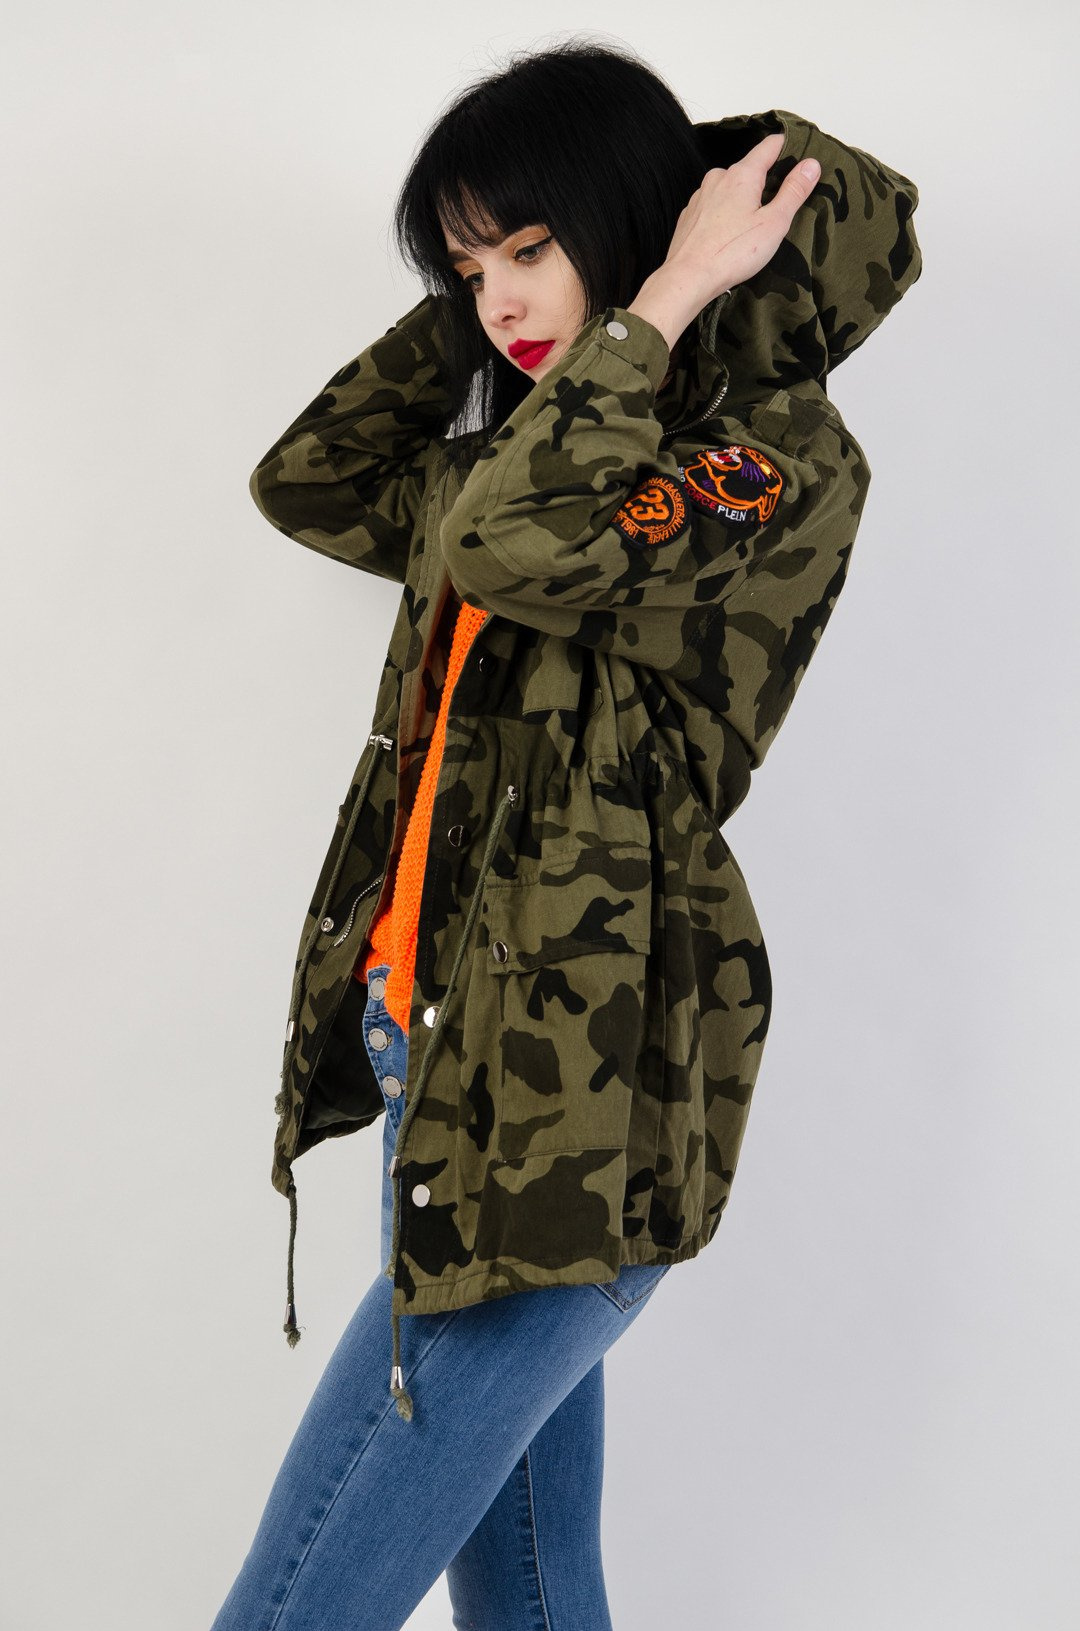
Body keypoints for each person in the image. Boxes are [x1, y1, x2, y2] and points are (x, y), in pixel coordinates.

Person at [210, 38, 922, 1631]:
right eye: (469, 272)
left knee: (293, 1608)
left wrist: (663, 287)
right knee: (534, 1594)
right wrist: (535, 286)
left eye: (528, 248)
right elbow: (309, 479)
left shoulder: (772, 458)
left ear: (644, 231)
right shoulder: (514, 454)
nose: (497, 304)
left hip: (587, 1079)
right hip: (435, 1042)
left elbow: (520, 548)